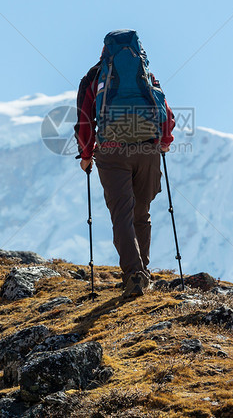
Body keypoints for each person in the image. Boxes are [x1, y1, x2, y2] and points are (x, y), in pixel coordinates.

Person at [75, 29, 176, 297]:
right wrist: (164, 141)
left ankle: (134, 275)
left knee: (122, 215)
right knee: (141, 212)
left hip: (112, 153)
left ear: (105, 51)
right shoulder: (147, 76)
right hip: (148, 151)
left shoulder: (94, 77)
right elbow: (166, 112)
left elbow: (84, 121)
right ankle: (144, 271)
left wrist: (86, 156)